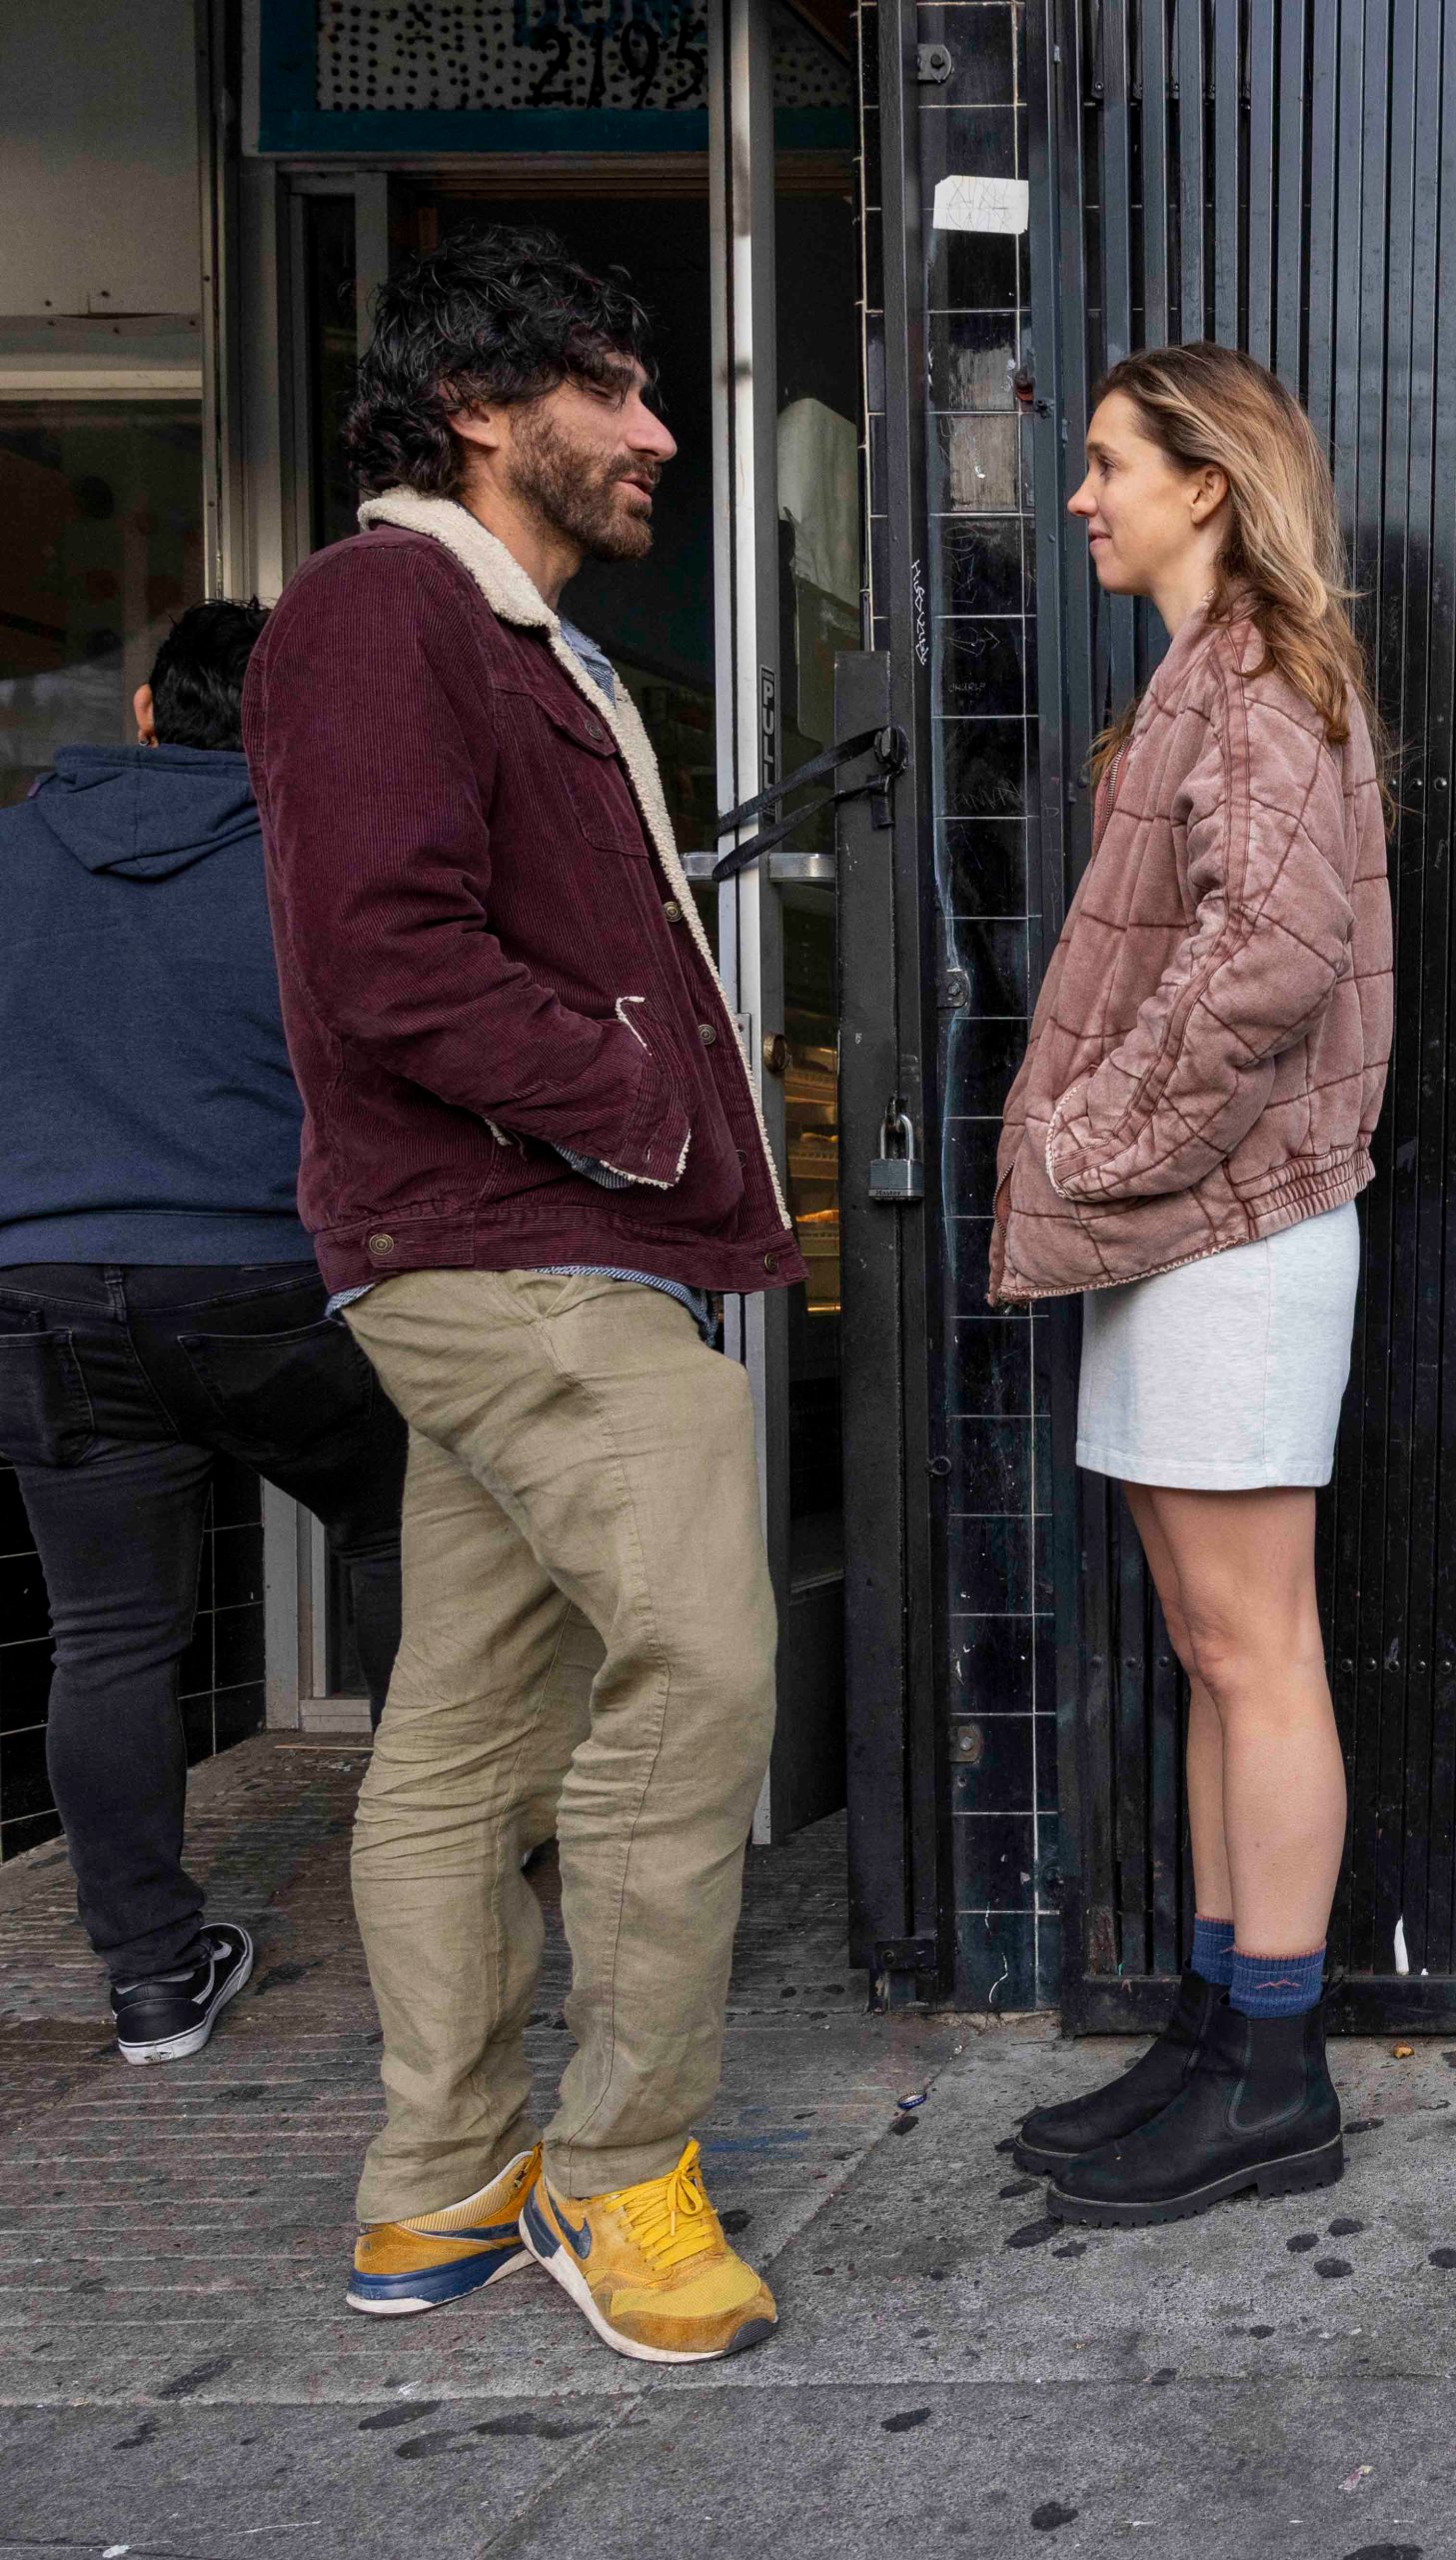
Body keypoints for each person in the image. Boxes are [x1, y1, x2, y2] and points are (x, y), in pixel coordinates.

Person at [242, 225, 803, 2360]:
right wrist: (645, 1101)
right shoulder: (390, 606)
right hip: (519, 1258)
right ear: (484, 410)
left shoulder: (493, 627)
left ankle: (436, 2181)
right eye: (616, 387)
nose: (657, 430)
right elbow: (386, 960)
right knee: (707, 1668)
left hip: (505, 1246)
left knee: (473, 1721)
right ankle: (619, 2165)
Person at [987, 342, 1393, 2228]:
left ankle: (1277, 2071)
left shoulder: (1254, 680)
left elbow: (1273, 959)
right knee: (1219, 1656)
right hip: (1192, 1228)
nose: (1083, 495)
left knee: (1254, 1653)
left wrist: (1091, 1138)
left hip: (1231, 1226)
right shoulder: (1204, 681)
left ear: (1206, 483)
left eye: (1107, 463)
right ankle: (1224, 2028)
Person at [0, 599, 409, 2067]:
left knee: (106, 1634)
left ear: (146, 716)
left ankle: (155, 1986)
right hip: (267, 1280)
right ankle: (444, 1916)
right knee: (406, 1524)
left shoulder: (12, 853)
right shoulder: (313, 860)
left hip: (43, 1288)